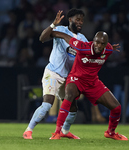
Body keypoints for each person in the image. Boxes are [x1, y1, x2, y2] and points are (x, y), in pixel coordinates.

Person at [49, 31, 128, 140]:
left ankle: (110, 132)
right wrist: (51, 31)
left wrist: (111, 48)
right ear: (93, 41)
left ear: (106, 45)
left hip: (92, 83)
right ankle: (57, 132)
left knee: (116, 107)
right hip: (76, 79)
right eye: (97, 42)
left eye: (102, 44)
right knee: (69, 95)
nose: (99, 46)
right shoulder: (82, 46)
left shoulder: (108, 49)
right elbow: (65, 36)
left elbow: (109, 48)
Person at [23, 9, 88, 139]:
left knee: (73, 107)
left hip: (68, 78)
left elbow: (86, 57)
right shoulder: (61, 30)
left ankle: (65, 131)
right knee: (47, 104)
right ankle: (28, 130)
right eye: (78, 19)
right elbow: (42, 38)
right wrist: (53, 24)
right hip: (53, 73)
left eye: (82, 20)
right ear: (70, 19)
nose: (80, 22)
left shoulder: (82, 38)